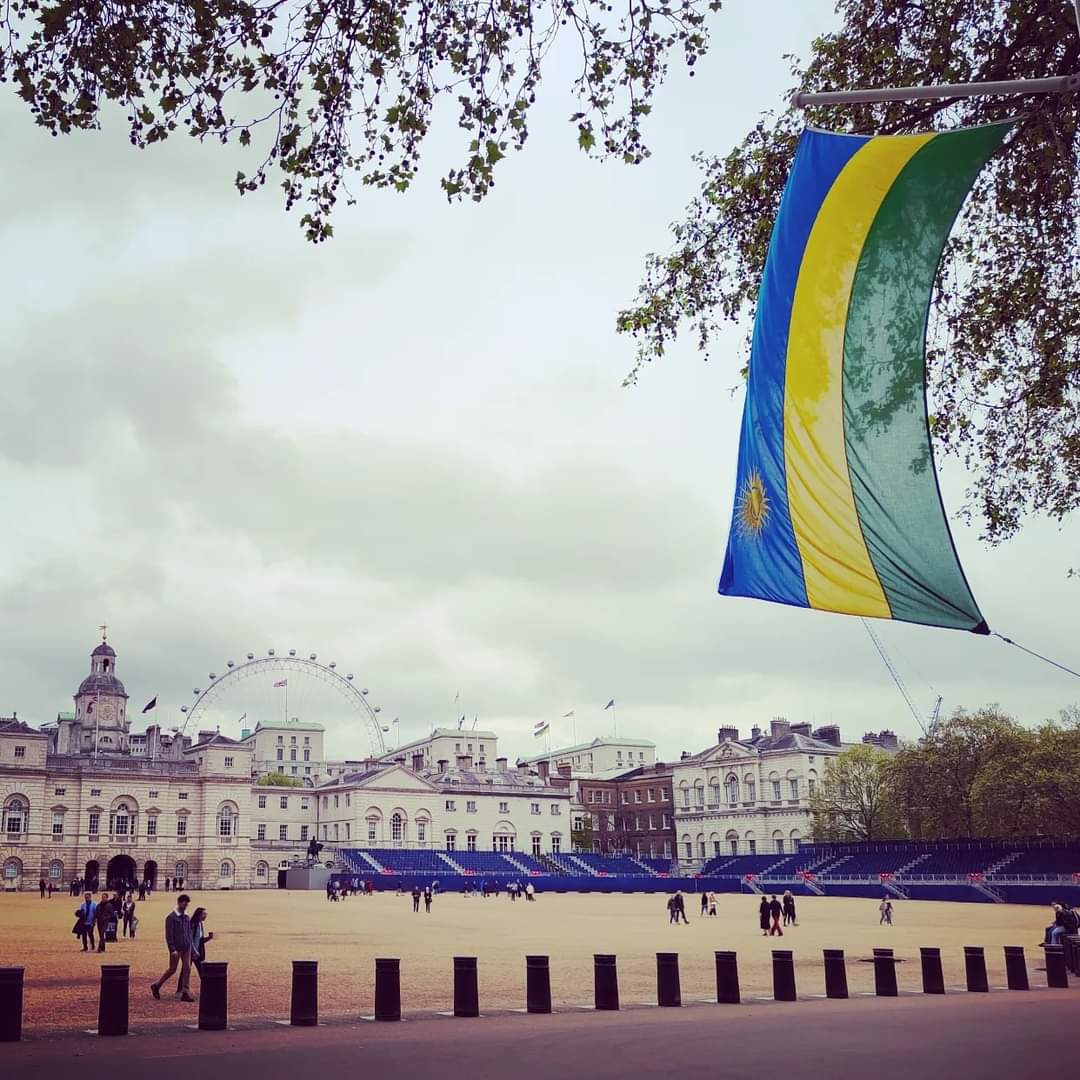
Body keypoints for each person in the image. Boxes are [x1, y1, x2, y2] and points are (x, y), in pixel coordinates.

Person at [150, 893, 196, 1002]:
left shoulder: (186, 917)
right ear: (179, 903)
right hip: (177, 948)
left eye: (187, 904)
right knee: (172, 969)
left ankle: (185, 991)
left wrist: (192, 948)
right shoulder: (171, 918)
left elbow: (189, 933)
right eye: (184, 904)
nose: (185, 906)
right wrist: (172, 949)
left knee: (187, 968)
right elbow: (169, 935)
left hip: (186, 947)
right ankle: (157, 985)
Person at [191, 907, 213, 977]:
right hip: (191, 952)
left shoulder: (200, 924)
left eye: (206, 914)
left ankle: (205, 984)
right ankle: (182, 985)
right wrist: (194, 951)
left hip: (199, 952)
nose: (205, 916)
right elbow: (189, 939)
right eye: (204, 914)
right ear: (198, 915)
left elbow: (200, 940)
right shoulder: (193, 924)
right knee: (186, 971)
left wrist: (209, 938)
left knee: (202, 971)